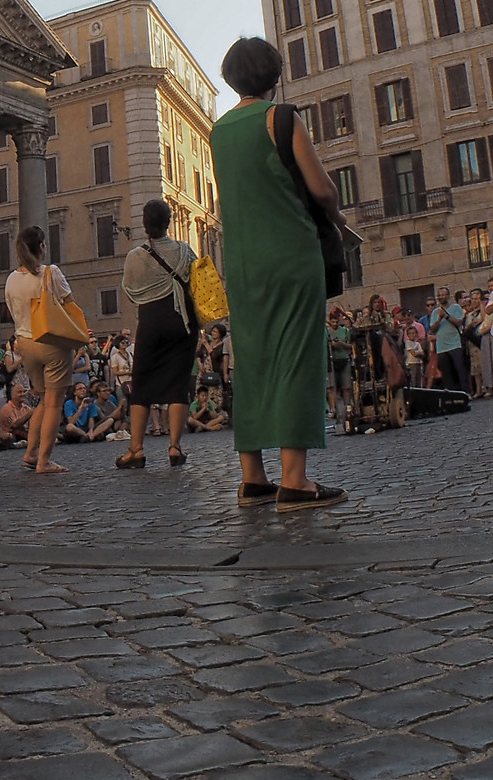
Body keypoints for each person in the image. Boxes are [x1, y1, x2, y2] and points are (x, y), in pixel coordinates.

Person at [210, 38, 345, 511]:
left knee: (251, 363)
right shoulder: (282, 117)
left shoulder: (218, 130)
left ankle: (253, 478)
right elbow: (322, 189)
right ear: (274, 75)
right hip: (290, 254)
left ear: (231, 78)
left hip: (244, 264)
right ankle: (295, 481)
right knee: (296, 357)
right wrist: (339, 217)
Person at [117, 199, 197, 470]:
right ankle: (175, 447)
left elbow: (129, 290)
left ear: (144, 224)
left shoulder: (135, 256)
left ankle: (136, 450)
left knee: (141, 384)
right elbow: (197, 282)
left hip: (150, 322)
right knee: (179, 384)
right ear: (169, 222)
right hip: (183, 322)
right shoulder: (185, 251)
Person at [5, 227, 85, 474]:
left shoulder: (11, 279)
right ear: (41, 247)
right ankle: (44, 460)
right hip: (51, 342)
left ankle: (30, 454)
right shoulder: (50, 273)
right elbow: (69, 303)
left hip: (26, 345)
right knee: (53, 404)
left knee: (41, 400)